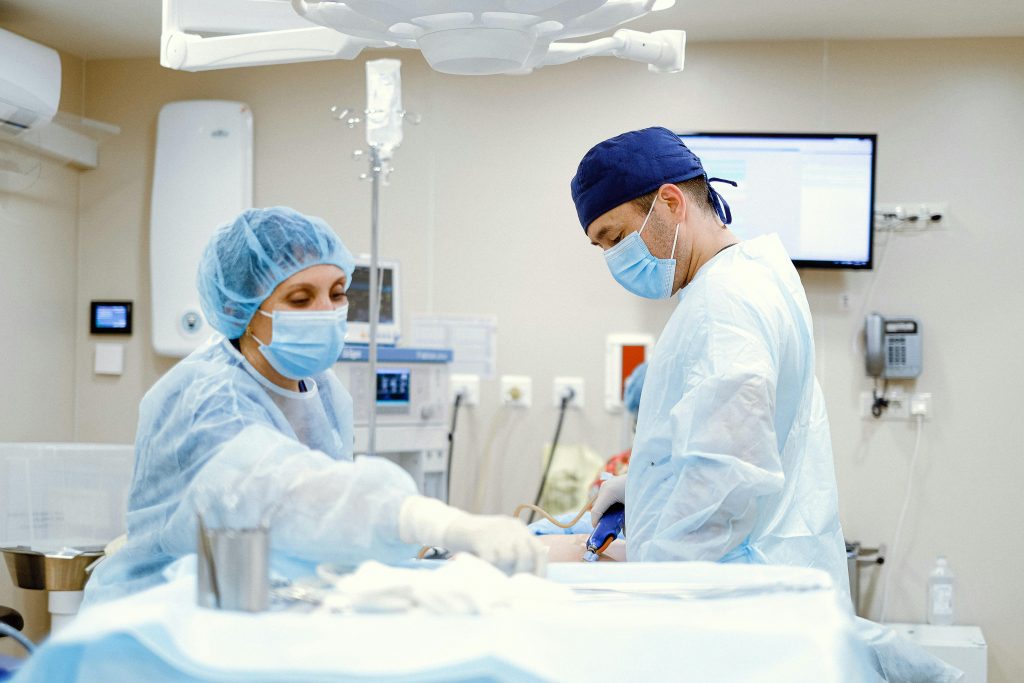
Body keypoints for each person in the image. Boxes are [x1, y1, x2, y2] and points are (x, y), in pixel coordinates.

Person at [572, 128, 960, 682]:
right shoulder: (750, 278)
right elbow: (724, 439)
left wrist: (653, 592)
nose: (613, 259)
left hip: (738, 621)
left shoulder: (723, 305)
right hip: (758, 599)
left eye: (615, 237)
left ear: (670, 203)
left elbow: (723, 479)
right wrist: (640, 486)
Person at [84, 207, 542, 605]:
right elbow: (286, 492)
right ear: (242, 309)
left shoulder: (319, 388)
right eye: (300, 298)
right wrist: (433, 521)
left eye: (338, 293)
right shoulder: (209, 398)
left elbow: (318, 517)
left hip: (264, 599)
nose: (326, 310)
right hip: (167, 615)